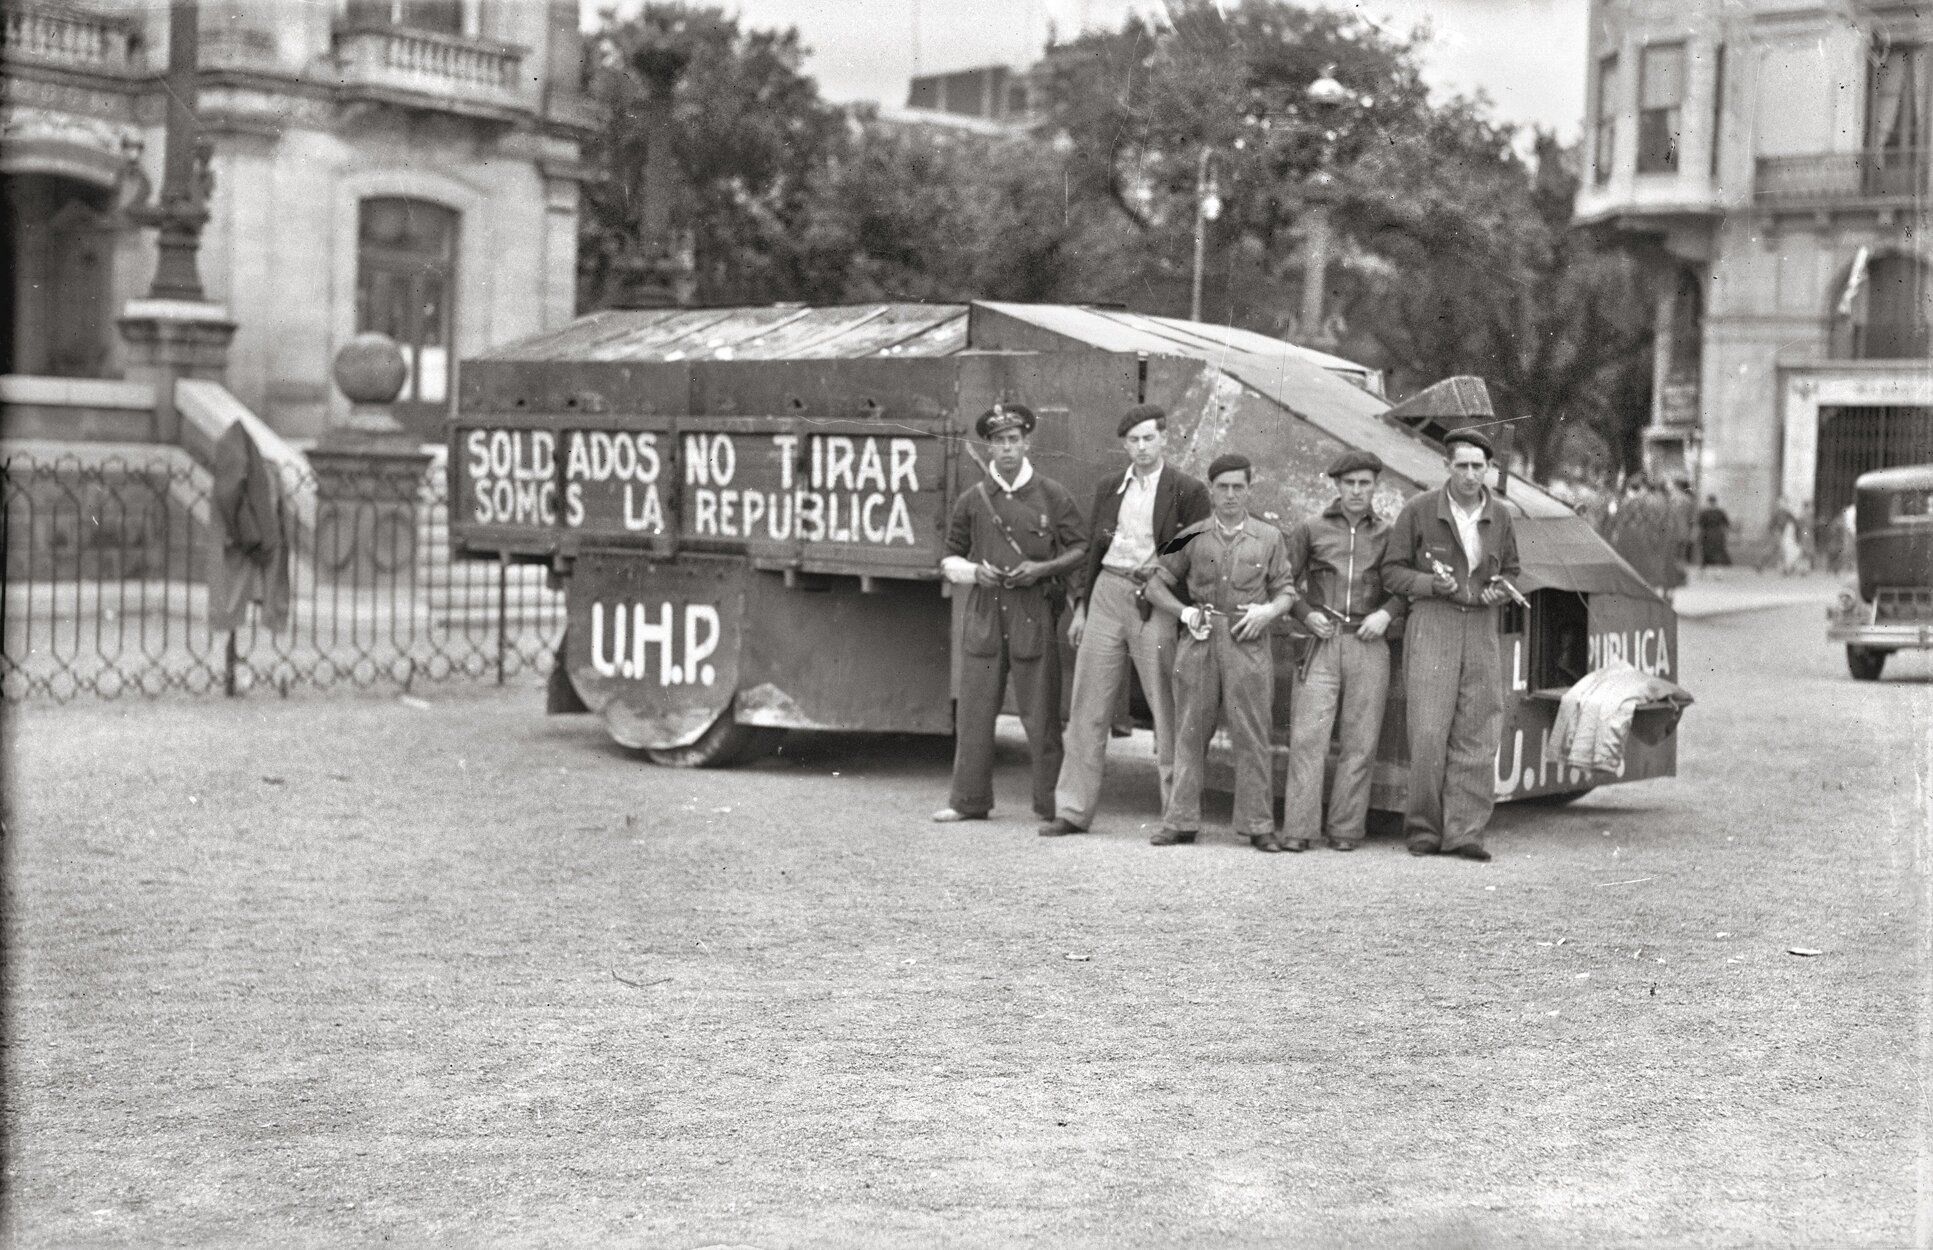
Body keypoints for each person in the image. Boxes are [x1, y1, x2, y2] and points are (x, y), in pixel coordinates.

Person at [1041, 403, 1211, 837]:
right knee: (1087, 703)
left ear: (1164, 438)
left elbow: (1198, 537)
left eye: (1149, 438)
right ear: (1124, 444)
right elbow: (1095, 549)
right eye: (1133, 440)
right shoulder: (1109, 486)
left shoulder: (1187, 489)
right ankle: (1073, 809)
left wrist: (1161, 567)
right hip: (1107, 592)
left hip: (1154, 596)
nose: (1141, 447)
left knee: (1165, 705)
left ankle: (1177, 816)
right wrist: (1081, 606)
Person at [933, 403, 1088, 824]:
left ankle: (1052, 805)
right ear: (989, 446)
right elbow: (948, 558)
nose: (1006, 449)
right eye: (999, 441)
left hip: (1033, 610)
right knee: (975, 713)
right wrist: (973, 572)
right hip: (985, 610)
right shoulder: (973, 499)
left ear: (1026, 442)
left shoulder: (1052, 495)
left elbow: (1080, 549)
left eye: (1014, 440)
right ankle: (968, 801)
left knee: (1041, 715)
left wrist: (1042, 569)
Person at [1141, 454, 1297, 850]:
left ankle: (1258, 825)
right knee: (1190, 730)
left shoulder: (1270, 537)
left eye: (1238, 487)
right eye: (1222, 487)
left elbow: (1287, 592)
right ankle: (1180, 820)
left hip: (1248, 640)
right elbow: (1155, 585)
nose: (1230, 495)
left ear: (1249, 489)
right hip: (1201, 637)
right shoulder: (1188, 535)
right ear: (1211, 489)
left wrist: (1268, 611)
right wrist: (1185, 611)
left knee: (1252, 732)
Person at [1379, 428, 1521, 862]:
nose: (1471, 475)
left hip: (1481, 624)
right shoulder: (1419, 511)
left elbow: (1513, 569)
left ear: (1489, 469)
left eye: (1479, 466)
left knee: (1478, 729)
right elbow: (1391, 572)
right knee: (1427, 730)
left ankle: (1465, 831)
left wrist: (1502, 589)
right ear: (1446, 466)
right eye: (1462, 465)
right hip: (1433, 621)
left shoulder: (1503, 516)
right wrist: (1428, 584)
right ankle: (1423, 828)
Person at [1279, 451, 1406, 853]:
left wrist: (1386, 614)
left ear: (1374, 487)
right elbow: (1283, 580)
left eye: (1364, 483)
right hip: (1323, 640)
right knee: (1308, 737)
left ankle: (1346, 829)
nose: (1356, 491)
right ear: (1337, 485)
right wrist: (1305, 614)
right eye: (1350, 483)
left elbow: (1403, 584)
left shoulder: (1388, 534)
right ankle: (1299, 828)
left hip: (1368, 642)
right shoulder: (1311, 529)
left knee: (1361, 741)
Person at [1696, 494, 1732, 567]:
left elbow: (1700, 525)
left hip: (1707, 533)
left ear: (1708, 501)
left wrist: (1698, 535)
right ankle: (1719, 564)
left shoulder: (1704, 512)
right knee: (1718, 550)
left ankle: (1707, 564)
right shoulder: (1720, 512)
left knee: (1707, 549)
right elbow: (1727, 524)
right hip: (1718, 534)